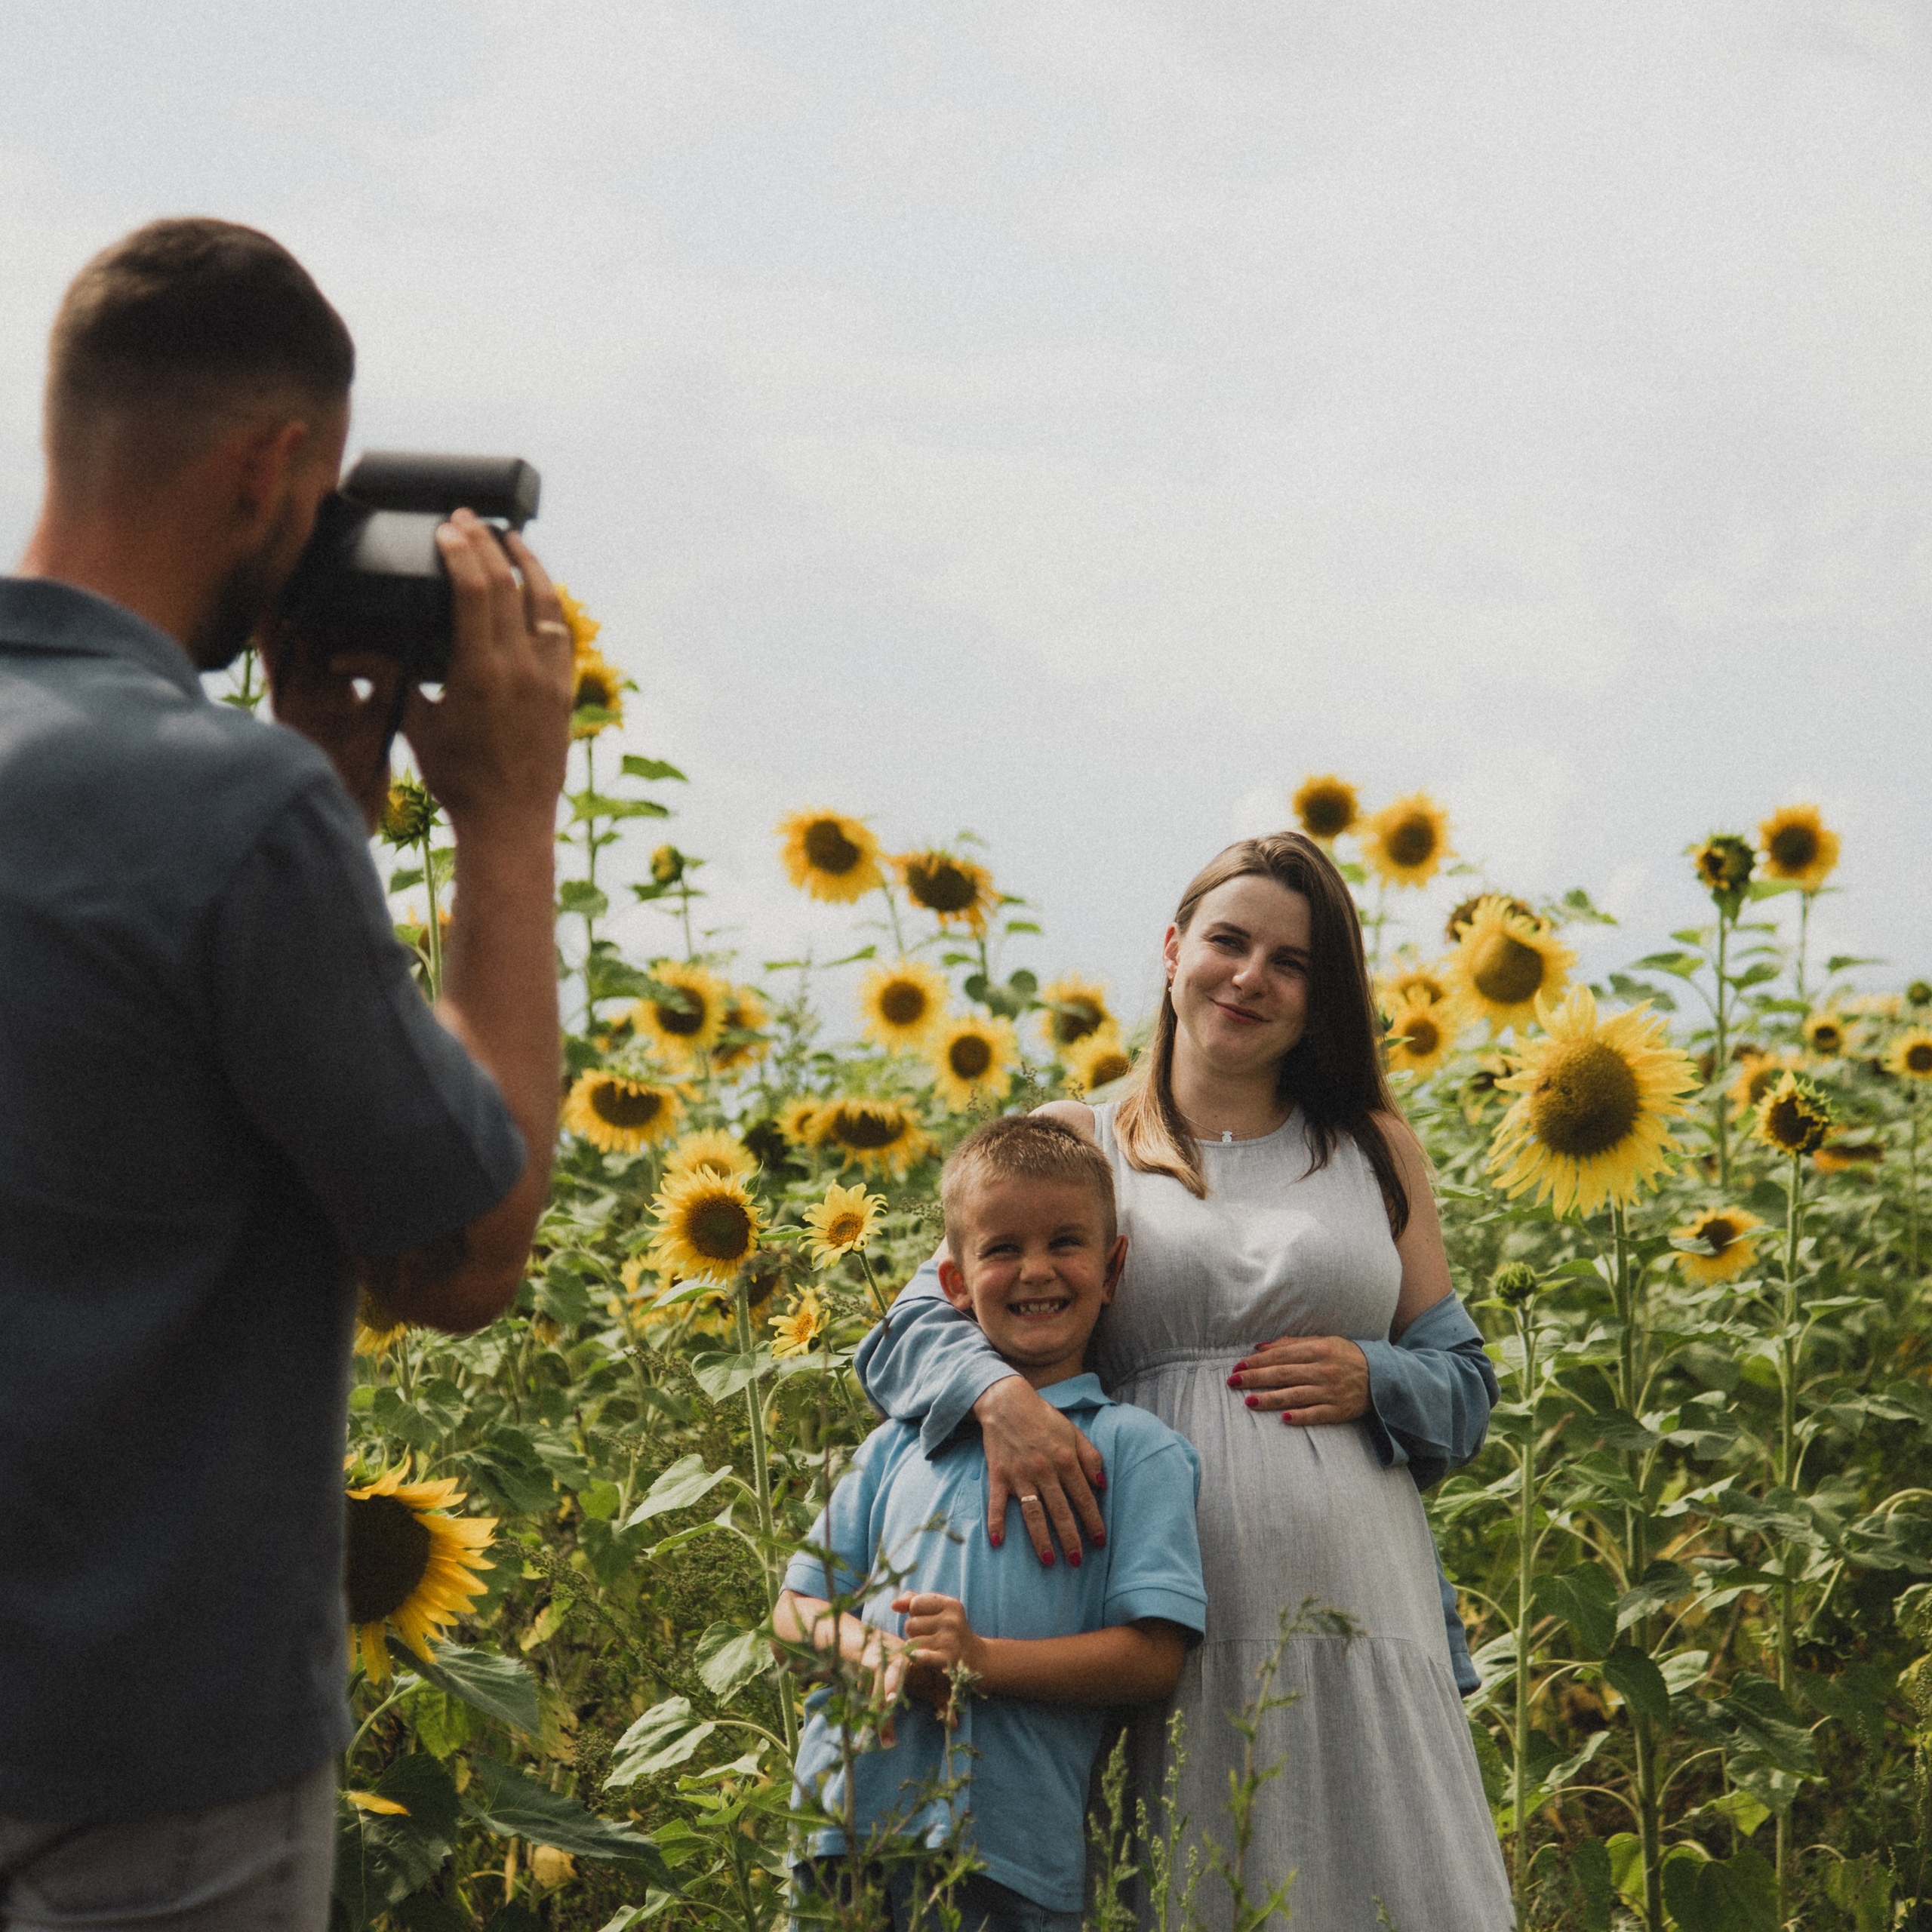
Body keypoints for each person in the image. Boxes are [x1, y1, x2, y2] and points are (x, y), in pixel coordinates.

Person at [0, 220, 574, 1927]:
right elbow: (458, 1252)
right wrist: (509, 824)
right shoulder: (230, 818)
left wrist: (316, 790)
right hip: (143, 1755)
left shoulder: (239, 813)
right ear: (279, 465)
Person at [857, 834, 1514, 1930]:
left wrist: (1374, 1371)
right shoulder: (1082, 1138)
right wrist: (1000, 1397)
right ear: (1173, 951)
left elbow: (1465, 1382)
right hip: (1148, 1610)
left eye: (1293, 962)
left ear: (1324, 994)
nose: (1253, 976)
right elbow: (909, 1327)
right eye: (1229, 941)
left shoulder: (1373, 1147)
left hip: (1360, 1597)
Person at [777, 1115, 1208, 1932]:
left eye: (1065, 1243)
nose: (1035, 1270)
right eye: (1001, 1248)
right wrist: (870, 1653)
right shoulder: (896, 1443)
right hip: (843, 1827)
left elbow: (1153, 1659)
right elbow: (792, 1614)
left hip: (1009, 1847)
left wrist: (981, 1662)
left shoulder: (1135, 1450)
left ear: (1113, 1268)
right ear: (951, 1281)